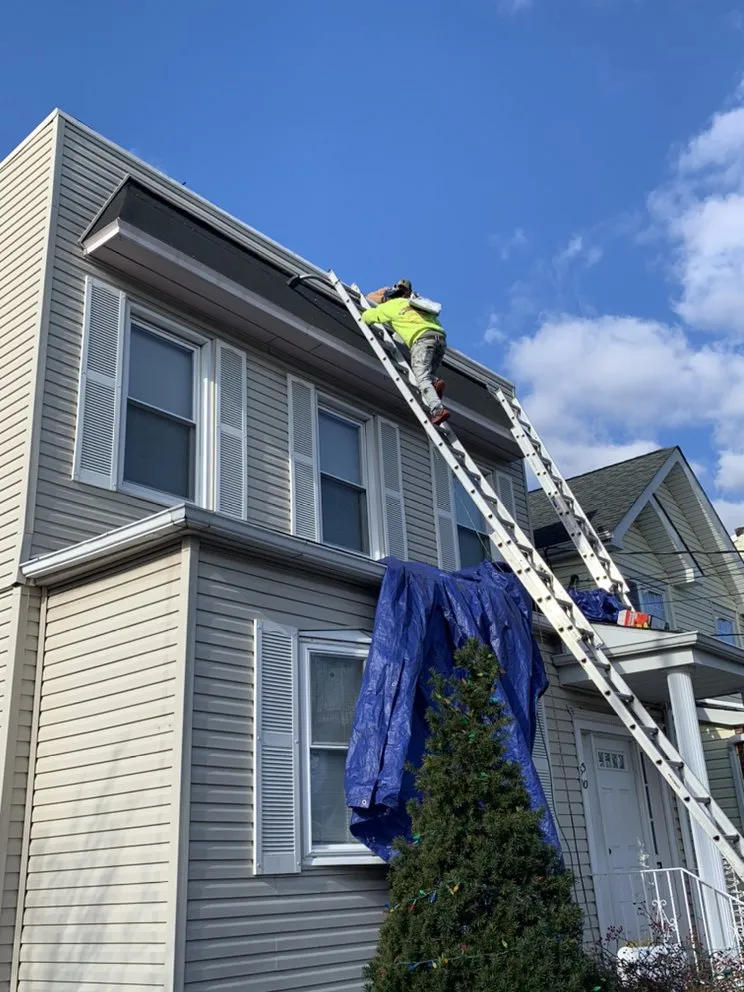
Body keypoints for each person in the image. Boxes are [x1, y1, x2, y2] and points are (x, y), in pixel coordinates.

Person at [360, 280, 450, 425]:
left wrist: (364, 311)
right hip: (440, 340)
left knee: (421, 378)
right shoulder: (416, 305)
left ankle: (438, 410)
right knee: (427, 375)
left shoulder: (390, 306)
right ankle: (435, 382)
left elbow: (368, 317)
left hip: (422, 341)